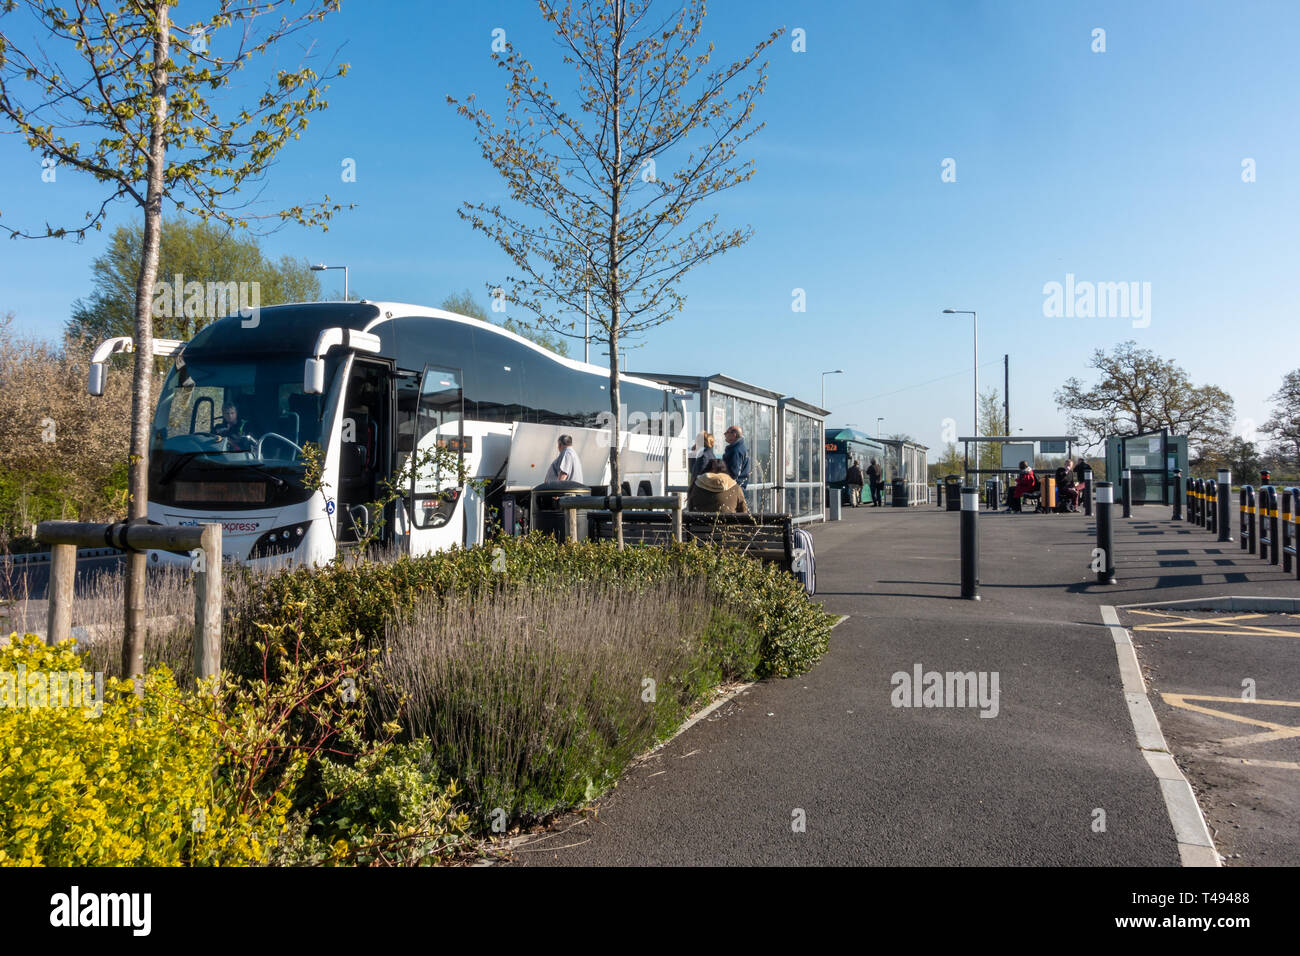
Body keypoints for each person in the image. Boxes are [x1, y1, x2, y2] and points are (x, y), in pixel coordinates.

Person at [722, 425, 750, 489]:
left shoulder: (736, 451)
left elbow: (734, 474)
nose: (724, 434)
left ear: (734, 435)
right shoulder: (741, 447)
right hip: (738, 488)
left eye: (727, 432)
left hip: (734, 489)